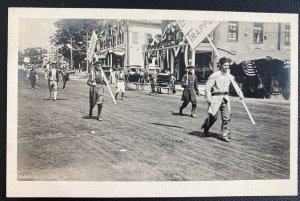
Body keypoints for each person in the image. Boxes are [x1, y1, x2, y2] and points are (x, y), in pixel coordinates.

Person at [201, 57, 244, 142]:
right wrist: (208, 99)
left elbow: (235, 86)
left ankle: (225, 134)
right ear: (220, 65)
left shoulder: (230, 76)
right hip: (215, 98)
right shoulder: (215, 76)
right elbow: (208, 88)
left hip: (225, 98)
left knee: (226, 117)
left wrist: (240, 94)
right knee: (214, 117)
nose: (226, 67)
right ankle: (206, 127)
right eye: (224, 65)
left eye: (228, 65)